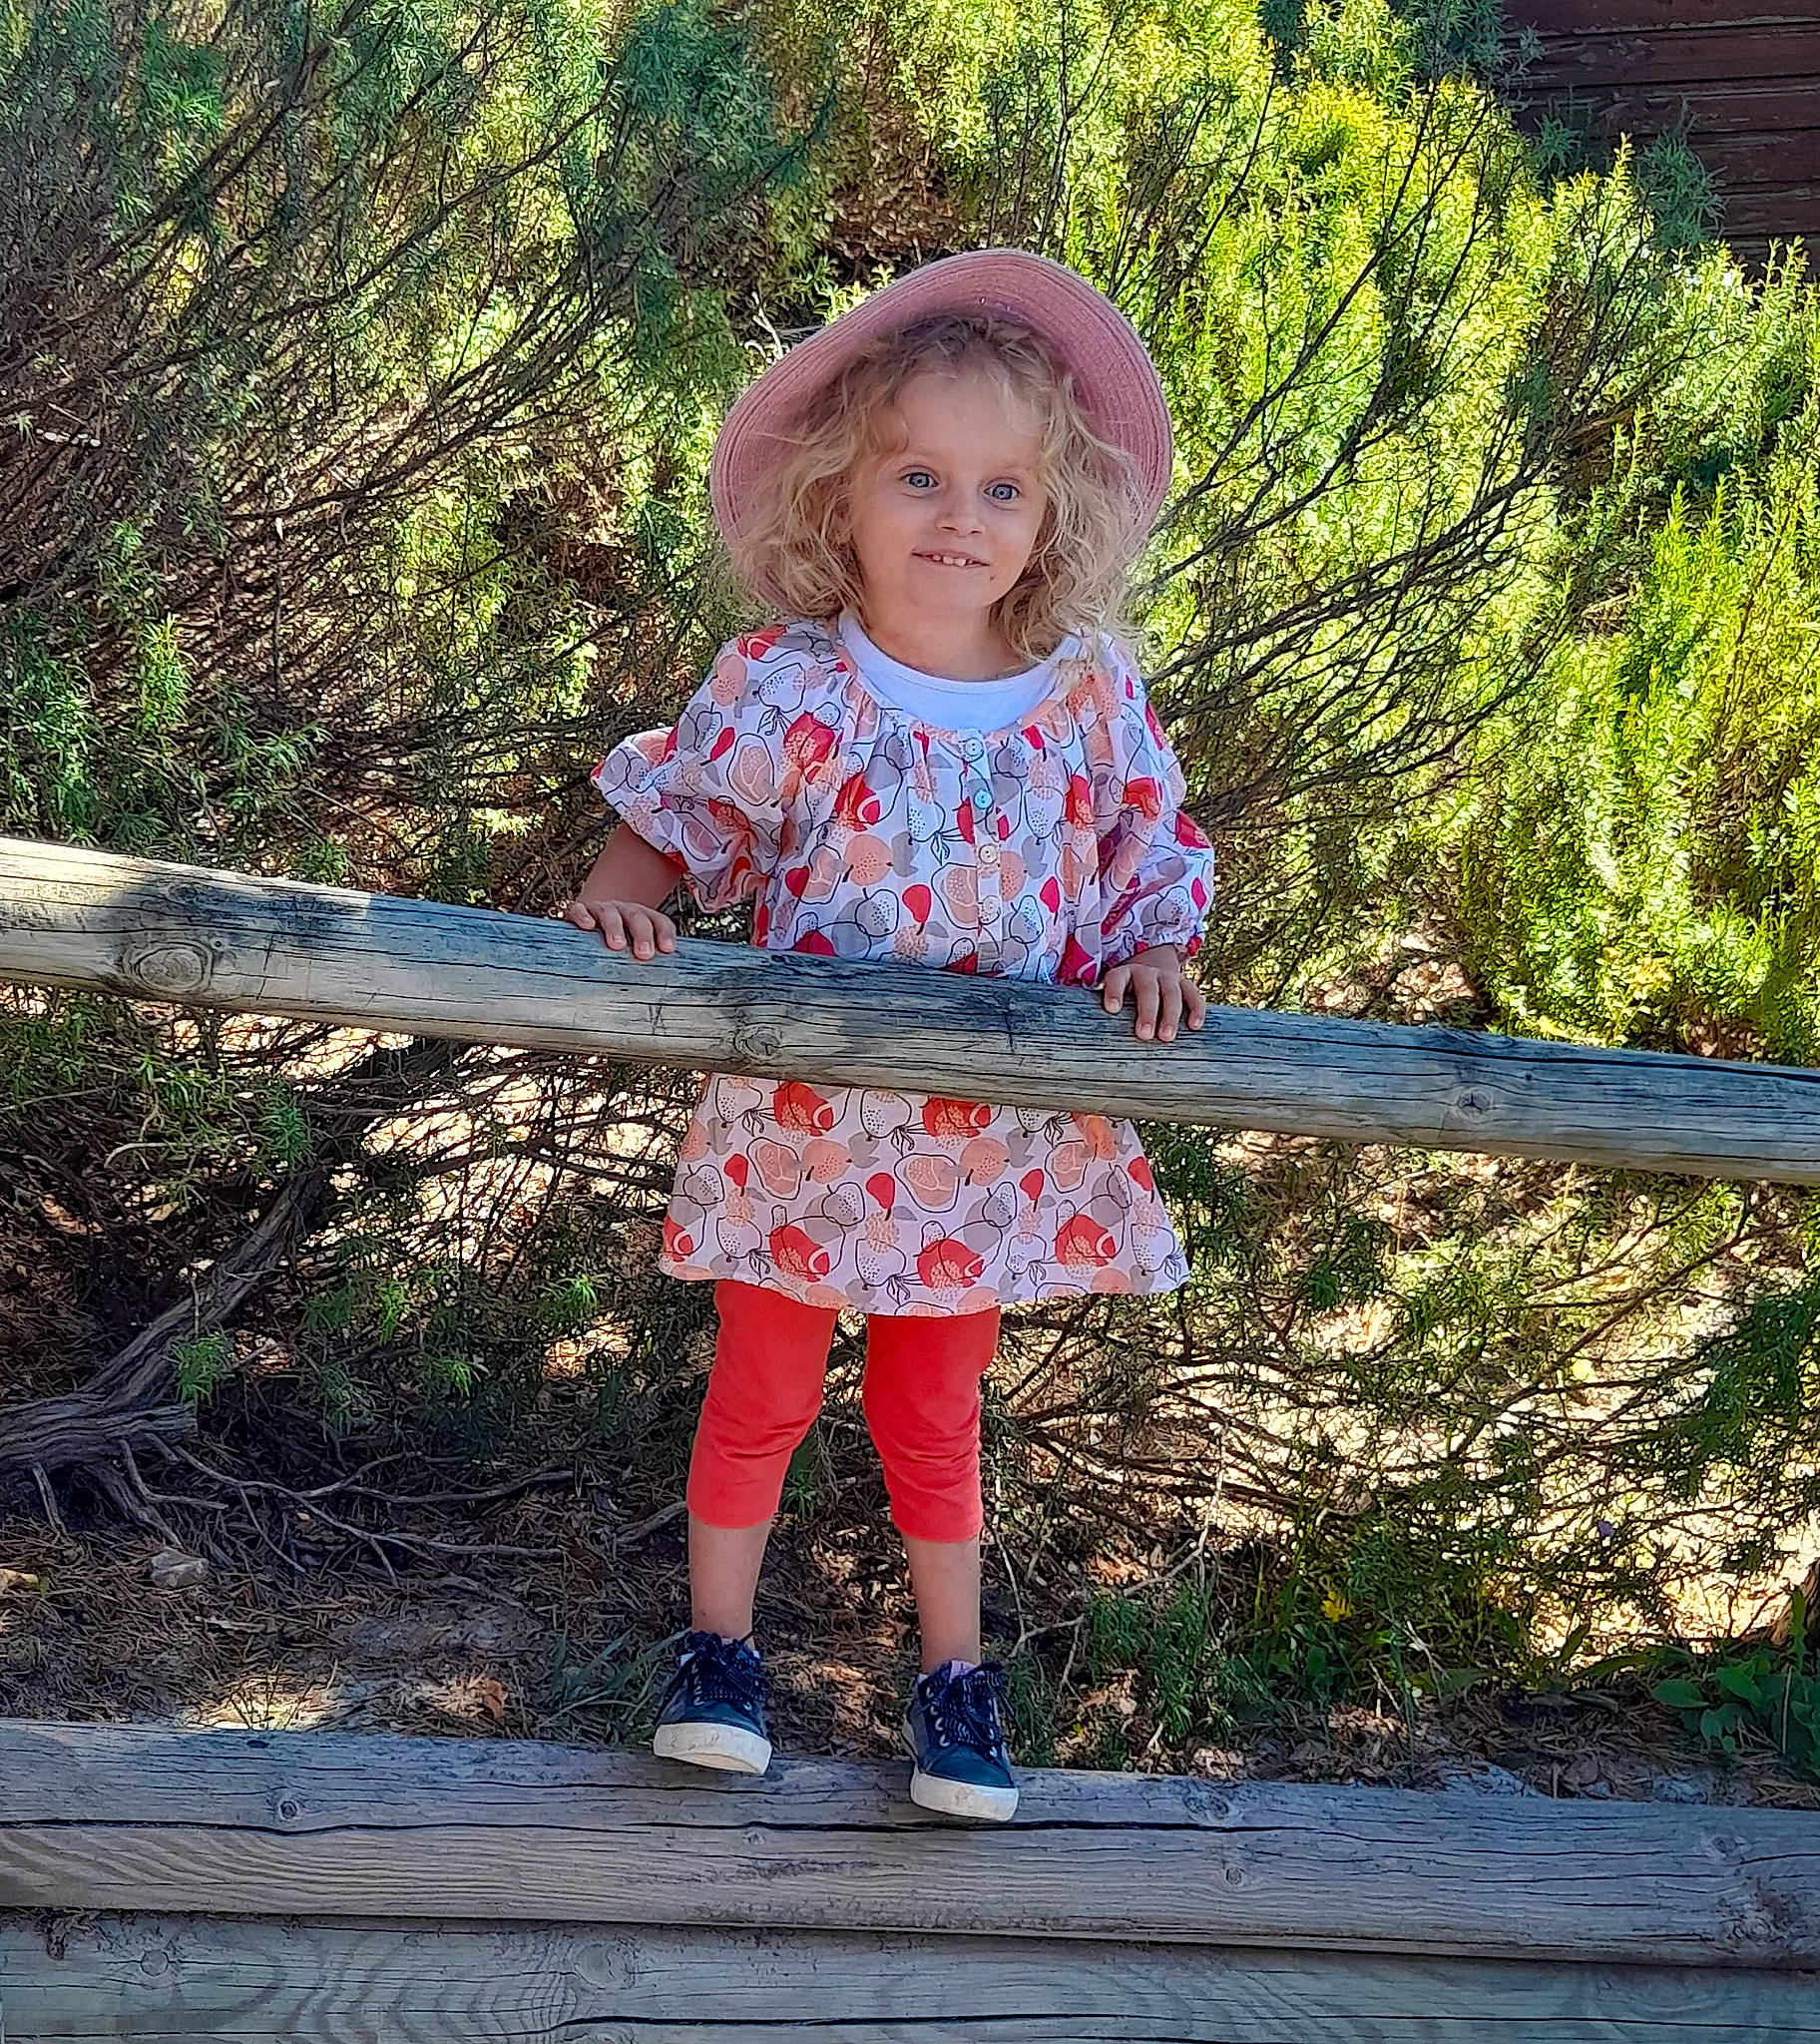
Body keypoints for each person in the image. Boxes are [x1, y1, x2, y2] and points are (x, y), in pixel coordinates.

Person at [564, 249, 1214, 1822]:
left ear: (1051, 518)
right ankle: (717, 1654)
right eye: (919, 476)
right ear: (837, 496)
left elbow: (1146, 861)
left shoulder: (1082, 700)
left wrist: (1159, 955)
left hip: (981, 1148)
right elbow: (683, 816)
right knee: (761, 1390)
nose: (958, 519)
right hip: (800, 1124)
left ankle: (953, 1682)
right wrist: (625, 895)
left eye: (1002, 488)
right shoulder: (795, 688)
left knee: (934, 1411)